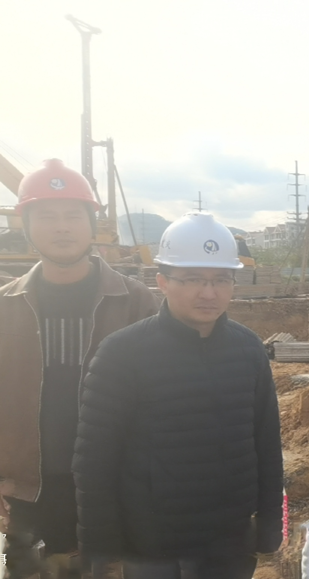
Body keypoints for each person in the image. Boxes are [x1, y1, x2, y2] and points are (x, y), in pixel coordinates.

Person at [73, 212, 283, 578]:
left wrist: (269, 527)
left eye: (221, 280)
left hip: (229, 545)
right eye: (192, 279)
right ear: (163, 282)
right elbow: (94, 460)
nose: (209, 293)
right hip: (152, 548)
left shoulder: (248, 349)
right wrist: (102, 550)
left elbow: (267, 445)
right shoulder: (122, 353)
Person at [0, 159, 157, 579]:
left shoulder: (136, 303)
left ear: (92, 224)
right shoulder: (5, 307)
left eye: (73, 215)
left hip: (114, 492)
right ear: (26, 226)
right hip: (27, 495)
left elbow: (165, 401)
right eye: (46, 216)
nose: (61, 228)